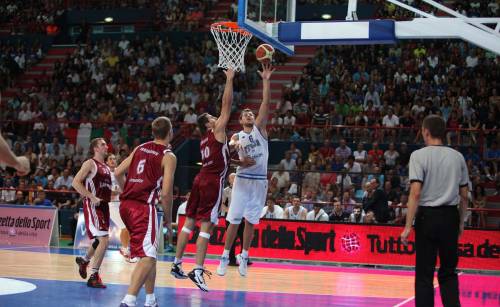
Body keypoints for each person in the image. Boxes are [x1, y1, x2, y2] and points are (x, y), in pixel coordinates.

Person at [171, 69, 243, 292]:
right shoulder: (217, 130)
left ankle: (177, 263)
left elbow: (219, 154)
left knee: (189, 222)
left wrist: (232, 150)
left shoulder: (204, 140)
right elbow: (227, 105)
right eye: (213, 118)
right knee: (207, 225)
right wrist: (229, 79)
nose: (217, 118)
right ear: (209, 125)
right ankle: (198, 270)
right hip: (212, 182)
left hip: (199, 179)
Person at [400, 115, 469, 307]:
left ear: (426, 132)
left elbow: (415, 193)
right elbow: (464, 195)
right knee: (448, 272)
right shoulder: (458, 156)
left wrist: (407, 226)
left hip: (427, 218)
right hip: (450, 217)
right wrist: (461, 222)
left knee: (424, 274)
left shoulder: (418, 156)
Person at [216, 62, 274, 278]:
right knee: (234, 220)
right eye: (246, 114)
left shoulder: (260, 131)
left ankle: (245, 255)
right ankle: (224, 256)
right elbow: (228, 156)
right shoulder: (237, 136)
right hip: (242, 179)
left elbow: (265, 105)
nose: (250, 114)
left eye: (251, 113)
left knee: (251, 221)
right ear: (240, 121)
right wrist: (240, 161)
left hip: (259, 181)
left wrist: (266, 81)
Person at [115, 117, 176, 307]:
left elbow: (117, 172)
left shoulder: (140, 147)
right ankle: (129, 300)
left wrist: (128, 191)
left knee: (149, 255)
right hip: (143, 207)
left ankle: (150, 300)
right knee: (148, 257)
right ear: (170, 132)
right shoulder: (168, 156)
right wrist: (168, 219)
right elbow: (166, 195)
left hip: (125, 205)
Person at [72, 138, 112, 288]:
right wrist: (91, 196)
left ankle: (84, 260)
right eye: (103, 144)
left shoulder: (106, 168)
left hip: (104, 206)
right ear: (95, 148)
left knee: (99, 239)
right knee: (104, 240)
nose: (106, 146)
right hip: (94, 205)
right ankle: (94, 275)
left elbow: (107, 190)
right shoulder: (90, 163)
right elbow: (75, 182)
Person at [106, 154, 135, 262]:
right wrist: (115, 191)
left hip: (122, 203)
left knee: (129, 227)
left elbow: (125, 188)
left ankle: (127, 249)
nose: (113, 160)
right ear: (107, 162)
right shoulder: (105, 173)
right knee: (124, 226)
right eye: (110, 159)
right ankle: (125, 249)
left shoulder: (120, 172)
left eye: (114, 159)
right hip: (111, 204)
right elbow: (106, 191)